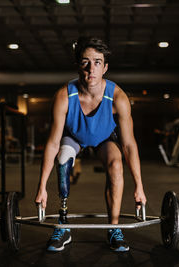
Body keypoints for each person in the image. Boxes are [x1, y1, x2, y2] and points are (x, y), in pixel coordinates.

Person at [35, 36, 147, 252]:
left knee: (116, 166)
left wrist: (139, 186)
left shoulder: (118, 98)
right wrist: (42, 187)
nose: (91, 68)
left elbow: (129, 145)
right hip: (74, 137)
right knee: (62, 159)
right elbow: (52, 143)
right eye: (85, 62)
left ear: (105, 67)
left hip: (105, 138)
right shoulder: (64, 96)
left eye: (97, 62)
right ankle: (63, 225)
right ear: (78, 65)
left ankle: (113, 228)